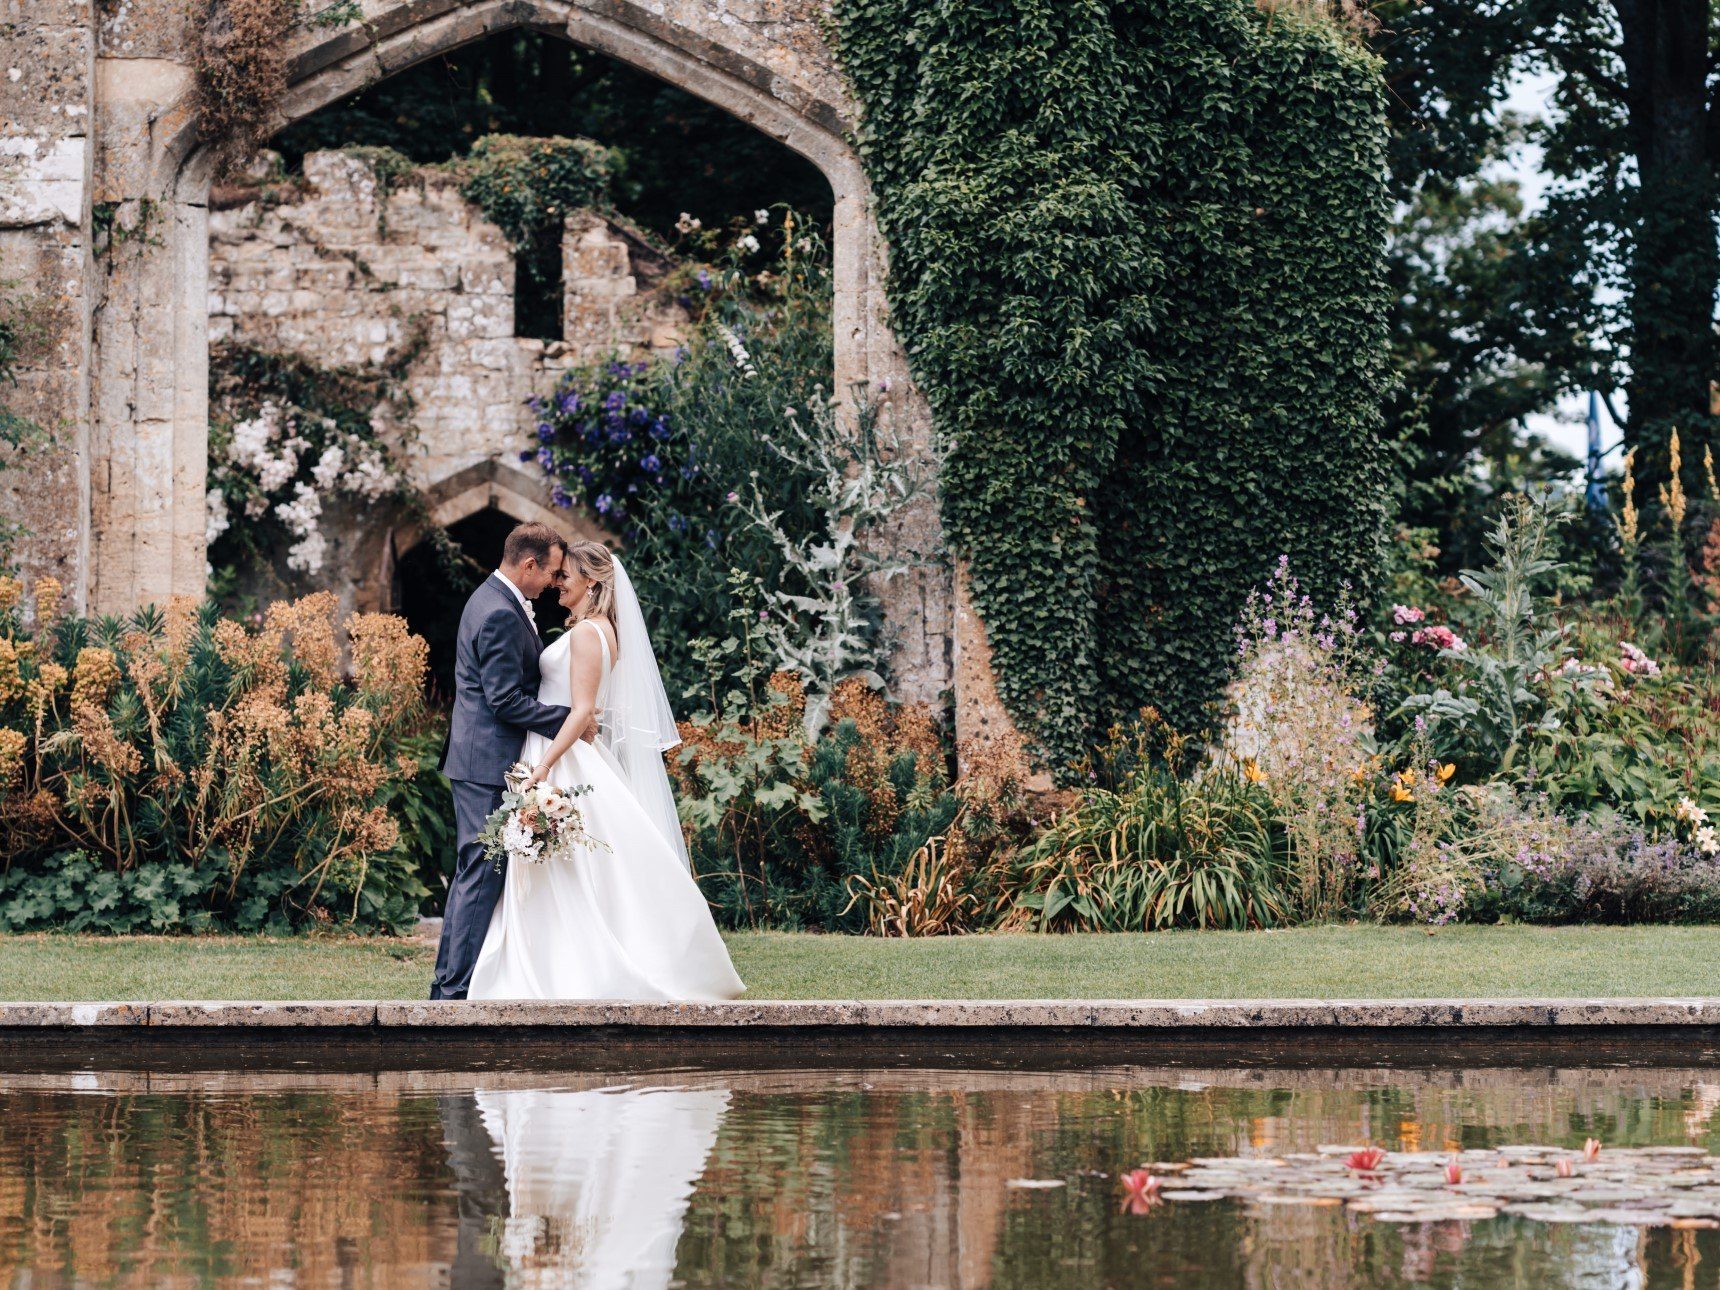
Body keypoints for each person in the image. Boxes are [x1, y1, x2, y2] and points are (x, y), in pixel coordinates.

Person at [468, 539, 745, 1001]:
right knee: (573, 867)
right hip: (565, 751)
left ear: (592, 581)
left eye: (566, 575)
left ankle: (566, 969)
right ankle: (555, 965)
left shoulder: (585, 634)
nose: (558, 582)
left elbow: (580, 713)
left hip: (563, 756)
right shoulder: (601, 630)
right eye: (556, 575)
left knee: (572, 868)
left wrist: (543, 770)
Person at [429, 522, 572, 1001]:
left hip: (481, 758)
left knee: (481, 869)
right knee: (480, 870)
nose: (554, 583)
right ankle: (450, 992)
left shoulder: (494, 598)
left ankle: (458, 984)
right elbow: (504, 700)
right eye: (551, 572)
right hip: (484, 761)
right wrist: (570, 720)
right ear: (529, 564)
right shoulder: (499, 612)